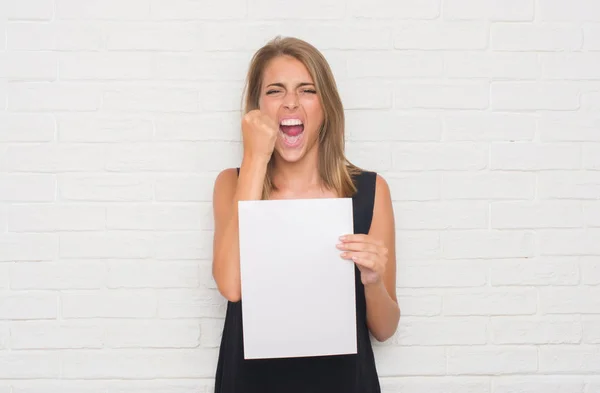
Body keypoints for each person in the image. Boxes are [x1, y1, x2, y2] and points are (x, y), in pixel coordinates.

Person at [211, 36, 400, 393]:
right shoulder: (230, 183)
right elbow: (231, 286)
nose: (291, 102)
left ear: (325, 106)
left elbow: (385, 329)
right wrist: (255, 158)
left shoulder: (370, 193)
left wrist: (373, 281)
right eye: (275, 91)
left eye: (307, 90)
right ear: (256, 110)